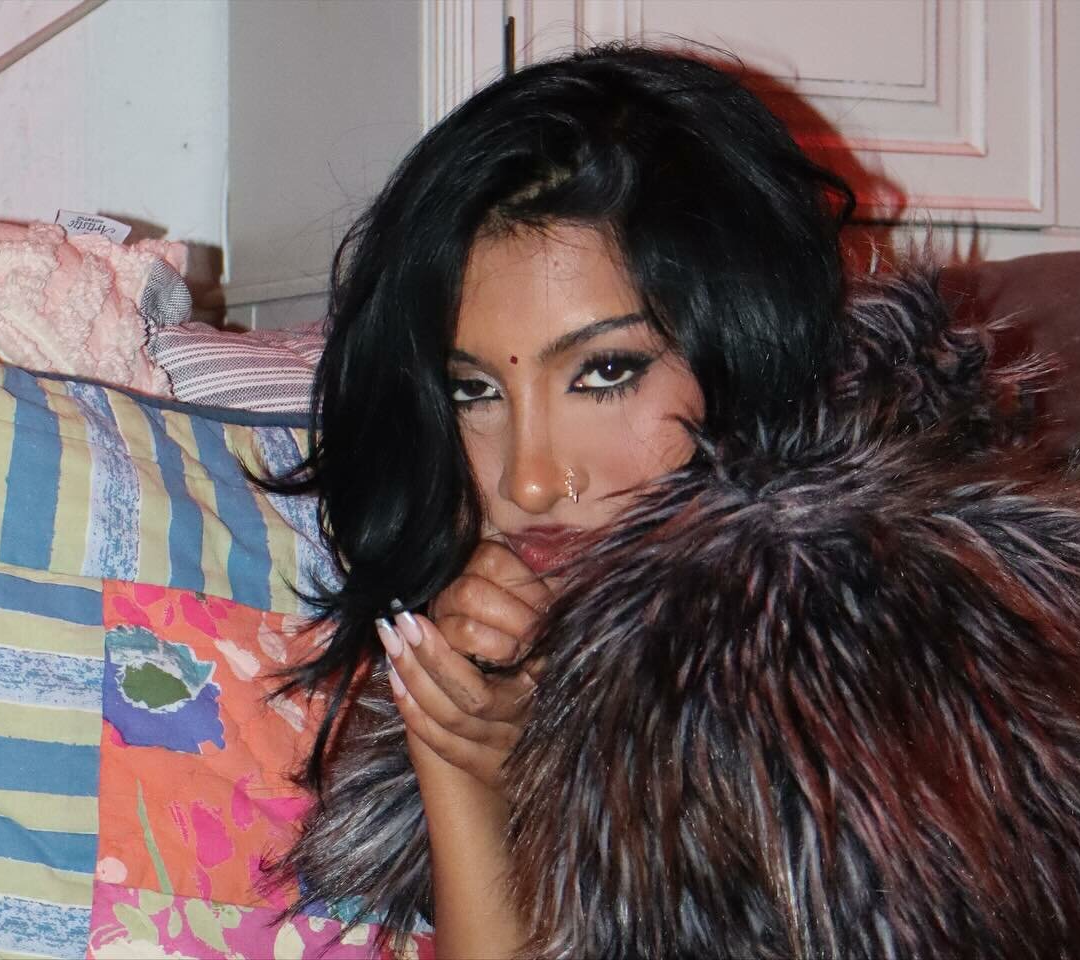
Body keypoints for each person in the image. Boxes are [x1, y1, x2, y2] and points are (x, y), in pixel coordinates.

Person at [260, 42, 860, 958]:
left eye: (605, 372)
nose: (530, 481)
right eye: (474, 392)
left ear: (749, 357)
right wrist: (472, 772)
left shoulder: (889, 655)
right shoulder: (472, 645)